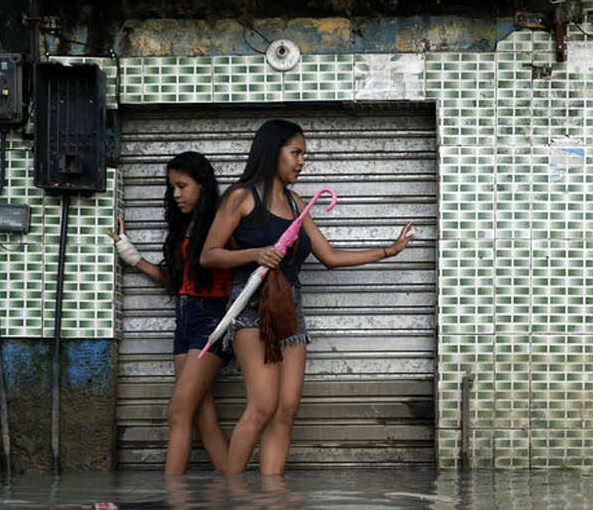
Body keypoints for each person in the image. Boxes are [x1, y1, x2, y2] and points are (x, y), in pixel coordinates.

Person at [201, 119, 414, 476]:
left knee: (286, 408)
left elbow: (328, 257)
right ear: (273, 152)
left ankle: (271, 500)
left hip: (290, 308)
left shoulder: (296, 201)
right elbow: (209, 255)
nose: (302, 162)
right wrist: (254, 254)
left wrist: (387, 251)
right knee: (263, 405)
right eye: (296, 153)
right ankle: (230, 494)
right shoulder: (241, 197)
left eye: (304, 155)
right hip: (252, 308)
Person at [110, 151, 234, 474]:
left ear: (202, 185)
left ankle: (172, 499)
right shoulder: (185, 225)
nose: (175, 194)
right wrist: (130, 253)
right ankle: (236, 489)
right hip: (184, 319)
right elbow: (176, 280)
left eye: (182, 186)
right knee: (201, 413)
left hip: (211, 320)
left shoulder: (222, 224)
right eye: (172, 188)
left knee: (178, 412)